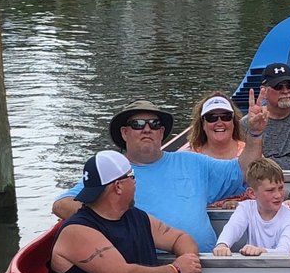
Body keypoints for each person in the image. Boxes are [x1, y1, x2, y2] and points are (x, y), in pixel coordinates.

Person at [53, 97, 267, 253]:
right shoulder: (111, 170)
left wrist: (255, 134)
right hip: (143, 267)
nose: (147, 129)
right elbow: (62, 204)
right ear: (124, 133)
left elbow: (245, 171)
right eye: (138, 124)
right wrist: (118, 222)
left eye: (154, 124)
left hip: (204, 262)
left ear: (162, 133)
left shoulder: (193, 162)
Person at [49, 150, 204, 273]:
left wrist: (191, 268)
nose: (135, 182)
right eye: (132, 176)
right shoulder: (77, 231)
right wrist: (176, 270)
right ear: (118, 186)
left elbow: (181, 238)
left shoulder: (136, 217)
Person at [213, 158, 290, 256]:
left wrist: (261, 251)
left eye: (280, 188)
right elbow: (233, 227)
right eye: (270, 190)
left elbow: (285, 251)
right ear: (252, 193)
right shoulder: (246, 208)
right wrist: (222, 244)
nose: (278, 195)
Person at [181, 93, 245, 159]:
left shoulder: (249, 153)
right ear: (203, 124)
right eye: (211, 118)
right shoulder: (189, 157)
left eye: (226, 117)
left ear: (233, 122)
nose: (219, 123)